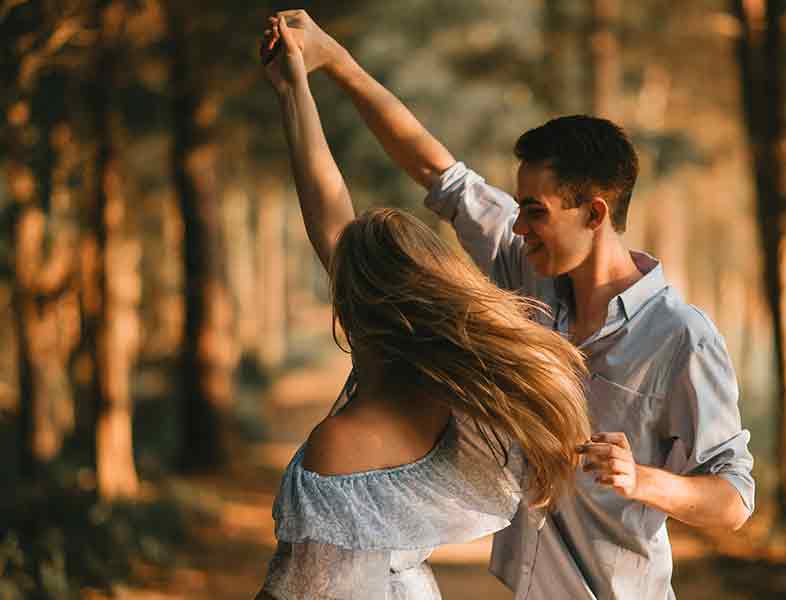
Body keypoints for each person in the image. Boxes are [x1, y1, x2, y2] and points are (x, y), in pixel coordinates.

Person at [271, 9, 757, 600]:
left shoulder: (681, 338)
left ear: (595, 214)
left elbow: (734, 501)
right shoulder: (526, 272)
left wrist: (644, 480)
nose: (517, 225)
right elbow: (435, 171)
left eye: (535, 211)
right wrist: (334, 64)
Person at [253, 19, 593, 600]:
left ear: (362, 306)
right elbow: (329, 212)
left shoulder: (342, 442)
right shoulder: (457, 407)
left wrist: (305, 82)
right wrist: (295, 89)